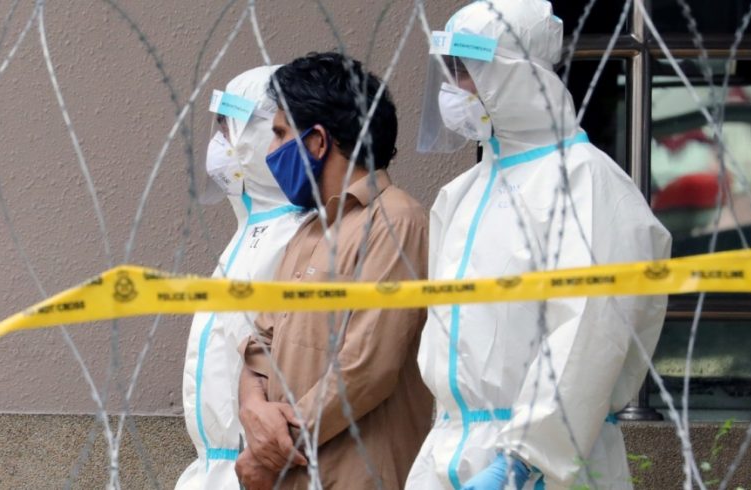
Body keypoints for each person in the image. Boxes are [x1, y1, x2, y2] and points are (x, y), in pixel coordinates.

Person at [407, 1, 672, 489]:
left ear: (512, 73)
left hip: (547, 465)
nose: (453, 87)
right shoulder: (461, 194)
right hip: (449, 454)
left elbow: (591, 333)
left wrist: (522, 461)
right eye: (449, 70)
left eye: (466, 70)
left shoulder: (586, 182)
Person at [235, 52, 433, 490]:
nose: (271, 151)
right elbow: (259, 346)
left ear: (318, 141)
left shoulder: (396, 221)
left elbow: (366, 367)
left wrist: (270, 451)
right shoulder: (308, 231)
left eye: (281, 134)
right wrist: (252, 408)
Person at [177, 65, 308, 490]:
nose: (222, 145)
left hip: (262, 465)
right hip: (214, 467)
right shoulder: (249, 232)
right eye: (218, 128)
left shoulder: (301, 236)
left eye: (232, 128)